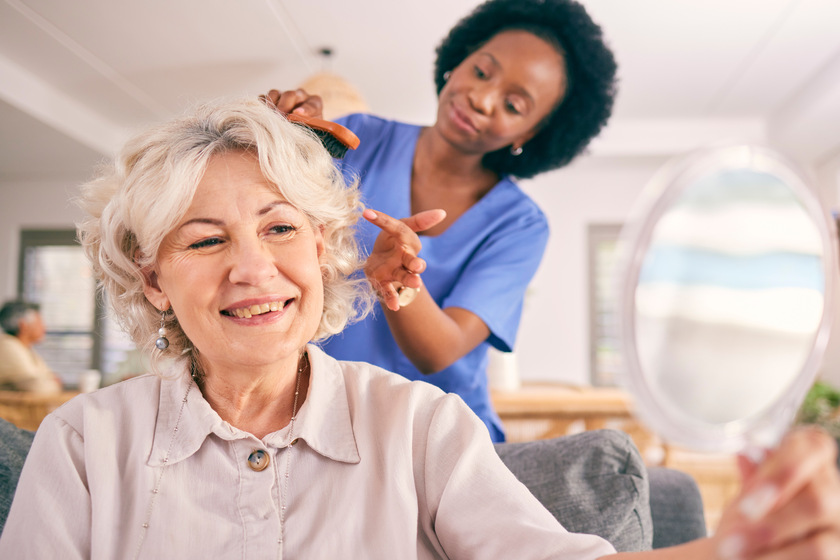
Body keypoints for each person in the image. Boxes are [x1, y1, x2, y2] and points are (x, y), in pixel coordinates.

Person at [1, 97, 840, 559]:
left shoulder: (419, 425)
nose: (252, 268)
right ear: (152, 278)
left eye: (281, 228)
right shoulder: (82, 443)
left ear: (328, 251)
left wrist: (741, 551)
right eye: (206, 239)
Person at [264, 0, 618, 442]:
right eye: (482, 72)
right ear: (460, 60)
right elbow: (264, 230)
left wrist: (397, 283)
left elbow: (440, 353)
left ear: (530, 133)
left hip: (438, 438)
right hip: (319, 415)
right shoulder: (358, 138)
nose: (481, 98)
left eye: (513, 104)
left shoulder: (520, 224)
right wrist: (287, 134)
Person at [0, 300, 61, 393]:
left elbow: (51, 378)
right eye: (39, 322)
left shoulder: (25, 348)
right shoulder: (7, 346)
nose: (44, 327)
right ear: (23, 325)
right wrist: (52, 383)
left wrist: (50, 381)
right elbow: (37, 388)